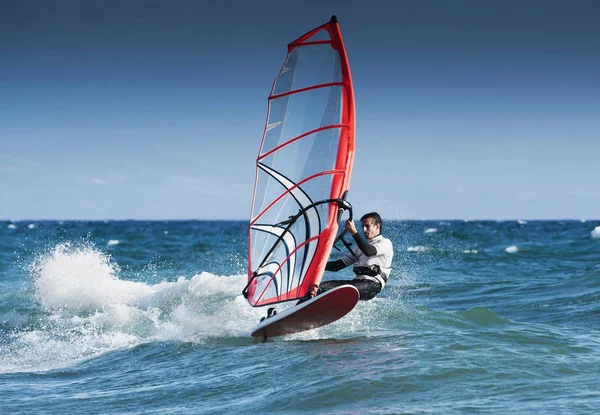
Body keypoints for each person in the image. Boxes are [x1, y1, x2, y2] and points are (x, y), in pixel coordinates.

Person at [319, 212, 393, 300]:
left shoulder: (385, 242)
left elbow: (369, 251)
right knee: (319, 287)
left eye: (367, 226)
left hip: (372, 285)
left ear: (377, 226)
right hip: (357, 283)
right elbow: (337, 266)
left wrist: (354, 233)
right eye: (362, 226)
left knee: (328, 289)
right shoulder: (359, 247)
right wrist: (315, 264)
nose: (364, 229)